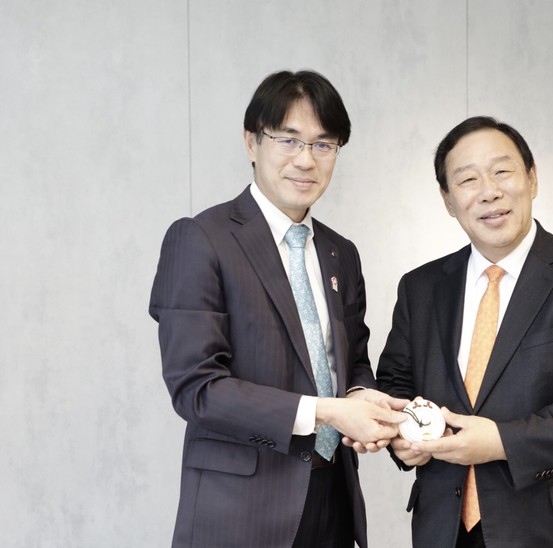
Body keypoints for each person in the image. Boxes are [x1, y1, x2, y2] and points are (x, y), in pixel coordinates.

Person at [149, 69, 408, 548]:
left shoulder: (341, 252)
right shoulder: (201, 239)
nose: (306, 160)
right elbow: (196, 389)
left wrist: (361, 396)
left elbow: (352, 360)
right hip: (241, 510)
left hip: (333, 499)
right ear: (252, 142)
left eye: (323, 144)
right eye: (288, 140)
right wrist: (328, 412)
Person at [374, 116, 553, 547]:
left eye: (502, 171)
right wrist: (403, 437)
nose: (489, 191)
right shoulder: (420, 287)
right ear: (448, 200)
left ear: (532, 178)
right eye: (468, 179)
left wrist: (503, 441)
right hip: (444, 528)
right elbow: (395, 382)